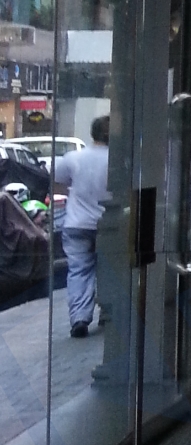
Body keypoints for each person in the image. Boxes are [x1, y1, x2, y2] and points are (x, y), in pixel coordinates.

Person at [55, 117, 109, 337]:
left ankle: (79, 317)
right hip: (109, 224)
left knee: (79, 270)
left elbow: (57, 184)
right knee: (109, 270)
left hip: (77, 224)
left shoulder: (73, 158)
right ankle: (107, 311)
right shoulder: (118, 159)